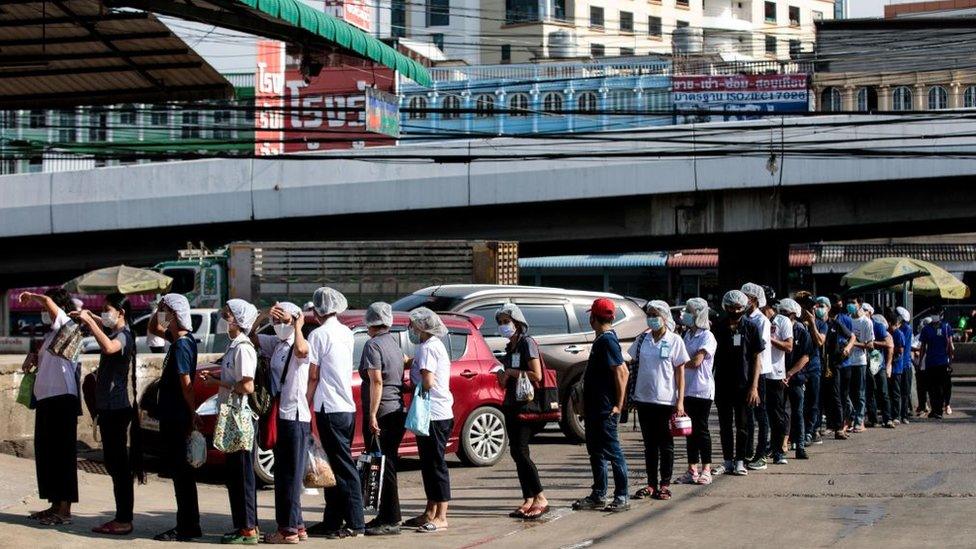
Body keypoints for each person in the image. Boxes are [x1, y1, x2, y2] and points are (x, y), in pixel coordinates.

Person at [72, 294, 141, 535]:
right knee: (115, 465)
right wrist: (89, 317)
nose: (104, 314)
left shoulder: (124, 336)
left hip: (117, 410)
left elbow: (109, 347)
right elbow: (104, 330)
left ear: (121, 313)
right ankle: (122, 517)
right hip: (109, 409)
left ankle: (124, 519)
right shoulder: (115, 331)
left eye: (107, 310)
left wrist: (90, 322)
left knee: (120, 467)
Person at [199, 300, 259, 544]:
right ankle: (242, 526)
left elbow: (247, 385)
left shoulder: (244, 348)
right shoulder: (234, 346)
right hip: (230, 415)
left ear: (240, 320)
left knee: (242, 474)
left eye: (229, 315)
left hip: (240, 416)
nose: (225, 318)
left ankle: (248, 529)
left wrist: (217, 383)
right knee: (234, 474)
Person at [305, 287, 364, 538]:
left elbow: (314, 373)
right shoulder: (345, 332)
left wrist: (304, 401)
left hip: (328, 406)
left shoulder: (318, 335)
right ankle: (332, 520)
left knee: (342, 466)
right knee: (333, 464)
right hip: (345, 407)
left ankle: (355, 523)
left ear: (318, 310)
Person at [19, 289, 81, 526]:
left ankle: (64, 510)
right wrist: (34, 357)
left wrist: (31, 295)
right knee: (47, 455)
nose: (44, 312)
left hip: (61, 399)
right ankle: (54, 504)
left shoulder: (67, 324)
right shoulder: (51, 334)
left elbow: (48, 302)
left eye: (47, 309)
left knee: (62, 455)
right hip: (46, 399)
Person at [252, 302, 310, 544]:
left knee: (289, 477)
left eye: (282, 321)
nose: (278, 326)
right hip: (281, 416)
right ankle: (297, 524)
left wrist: (297, 324)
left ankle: (287, 530)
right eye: (276, 322)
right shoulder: (276, 345)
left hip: (294, 416)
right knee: (286, 475)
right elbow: (250, 336)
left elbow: (302, 351)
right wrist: (264, 314)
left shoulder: (300, 343)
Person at [150, 293, 202, 542]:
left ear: (175, 314)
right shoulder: (180, 340)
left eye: (165, 311)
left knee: (182, 475)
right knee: (180, 473)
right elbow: (153, 328)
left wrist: (192, 414)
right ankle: (189, 524)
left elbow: (186, 385)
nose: (161, 314)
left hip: (177, 416)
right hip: (173, 414)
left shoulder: (182, 345)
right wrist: (158, 309)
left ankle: (187, 526)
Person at [626, 300, 689, 500]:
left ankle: (664, 483)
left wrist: (680, 401)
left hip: (665, 400)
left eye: (656, 314)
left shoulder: (674, 340)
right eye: (649, 314)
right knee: (649, 445)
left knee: (666, 444)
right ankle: (651, 483)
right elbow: (630, 361)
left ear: (665, 317)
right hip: (643, 399)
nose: (652, 318)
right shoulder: (642, 339)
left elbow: (680, 372)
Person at [572, 298, 630, 512]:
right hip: (595, 409)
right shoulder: (603, 340)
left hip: (606, 409)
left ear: (592, 318)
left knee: (613, 452)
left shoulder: (607, 341)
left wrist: (618, 405)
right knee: (596, 452)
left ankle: (622, 495)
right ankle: (599, 494)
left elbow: (622, 372)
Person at [494, 304, 550, 520]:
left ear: (517, 322)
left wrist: (511, 371)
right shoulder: (511, 346)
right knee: (516, 451)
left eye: (506, 321)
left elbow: (536, 374)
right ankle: (528, 498)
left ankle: (540, 496)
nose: (503, 326)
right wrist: (502, 374)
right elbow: (508, 376)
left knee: (522, 451)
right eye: (500, 322)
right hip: (511, 403)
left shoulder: (527, 343)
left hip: (526, 405)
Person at [359, 302, 407, 536]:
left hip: (383, 412)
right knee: (388, 464)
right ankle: (386, 514)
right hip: (396, 409)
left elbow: (377, 381)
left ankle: (392, 518)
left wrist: (372, 414)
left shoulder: (372, 345)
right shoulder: (394, 344)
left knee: (384, 466)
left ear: (370, 322)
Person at [405, 308, 454, 532]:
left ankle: (442, 516)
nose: (410, 330)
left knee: (435, 464)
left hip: (434, 413)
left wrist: (411, 383)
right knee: (428, 464)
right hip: (437, 413)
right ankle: (430, 510)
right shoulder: (431, 346)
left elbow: (427, 382)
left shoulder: (427, 348)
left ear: (422, 327)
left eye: (413, 325)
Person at [714, 291, 763, 477]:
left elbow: (757, 357)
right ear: (725, 307)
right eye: (731, 307)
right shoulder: (718, 327)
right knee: (724, 425)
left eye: (738, 308)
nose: (734, 311)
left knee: (742, 425)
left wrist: (754, 386)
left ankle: (740, 460)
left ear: (744, 307)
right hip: (722, 382)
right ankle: (727, 461)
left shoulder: (751, 327)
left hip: (744, 384)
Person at [677, 298, 717, 484]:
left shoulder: (707, 336)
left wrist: (679, 364)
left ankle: (706, 468)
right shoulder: (687, 335)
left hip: (701, 390)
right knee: (689, 431)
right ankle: (691, 468)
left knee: (701, 430)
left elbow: (696, 361)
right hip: (687, 389)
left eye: (690, 311)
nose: (685, 314)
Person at [740, 283, 772, 471]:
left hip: (759, 371)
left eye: (746, 296)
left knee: (761, 414)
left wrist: (754, 383)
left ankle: (761, 454)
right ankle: (748, 452)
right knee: (748, 415)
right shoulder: (744, 318)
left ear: (753, 299)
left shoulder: (761, 321)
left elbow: (758, 351)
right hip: (746, 370)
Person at [780, 299, 811, 461]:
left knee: (798, 413)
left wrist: (789, 373)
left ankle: (800, 446)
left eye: (785, 313)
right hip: (779, 377)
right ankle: (781, 445)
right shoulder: (777, 330)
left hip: (796, 378)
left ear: (793, 315)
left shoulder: (801, 331)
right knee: (782, 413)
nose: (782, 316)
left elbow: (805, 357)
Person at [764, 295, 792, 465]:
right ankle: (764, 448)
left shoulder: (782, 321)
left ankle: (778, 450)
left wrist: (770, 340)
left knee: (777, 415)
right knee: (761, 416)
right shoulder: (757, 320)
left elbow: (789, 346)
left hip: (775, 373)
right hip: (760, 373)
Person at [801, 296, 828, 445]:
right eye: (807, 307)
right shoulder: (796, 323)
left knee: (813, 401)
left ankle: (810, 431)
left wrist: (812, 323)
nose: (811, 310)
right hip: (798, 367)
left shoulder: (821, 324)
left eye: (813, 307)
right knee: (800, 402)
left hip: (813, 366)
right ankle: (799, 431)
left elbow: (819, 341)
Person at [844, 298, 874, 433]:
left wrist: (853, 343)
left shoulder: (866, 322)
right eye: (849, 303)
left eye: (853, 303)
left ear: (860, 305)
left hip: (860, 361)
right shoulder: (847, 319)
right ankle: (850, 418)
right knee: (846, 392)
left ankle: (859, 421)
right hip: (847, 361)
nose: (850, 305)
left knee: (860, 392)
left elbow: (870, 345)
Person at [918, 308, 954, 420]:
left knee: (940, 387)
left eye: (937, 314)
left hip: (942, 362)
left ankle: (938, 410)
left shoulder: (946, 327)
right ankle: (935, 410)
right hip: (931, 362)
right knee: (932, 388)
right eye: (933, 314)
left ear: (941, 315)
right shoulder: (926, 329)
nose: (935, 316)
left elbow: (950, 344)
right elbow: (923, 346)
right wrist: (920, 361)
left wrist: (950, 360)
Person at [864, 307, 894, 429]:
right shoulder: (860, 325)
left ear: (870, 312)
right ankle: (873, 419)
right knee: (870, 391)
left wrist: (874, 343)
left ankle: (888, 419)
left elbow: (889, 343)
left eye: (865, 310)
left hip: (877, 361)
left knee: (883, 391)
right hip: (865, 362)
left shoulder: (878, 326)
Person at [887, 312, 908, 427]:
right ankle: (890, 414)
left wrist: (890, 350)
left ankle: (896, 416)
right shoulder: (888, 333)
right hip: (889, 366)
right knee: (889, 393)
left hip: (896, 368)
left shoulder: (898, 334)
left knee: (895, 393)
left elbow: (900, 350)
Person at [895, 307, 914, 424]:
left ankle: (904, 415)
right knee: (897, 392)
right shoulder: (898, 328)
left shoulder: (906, 329)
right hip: (899, 364)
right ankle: (897, 415)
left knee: (905, 392)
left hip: (905, 364)